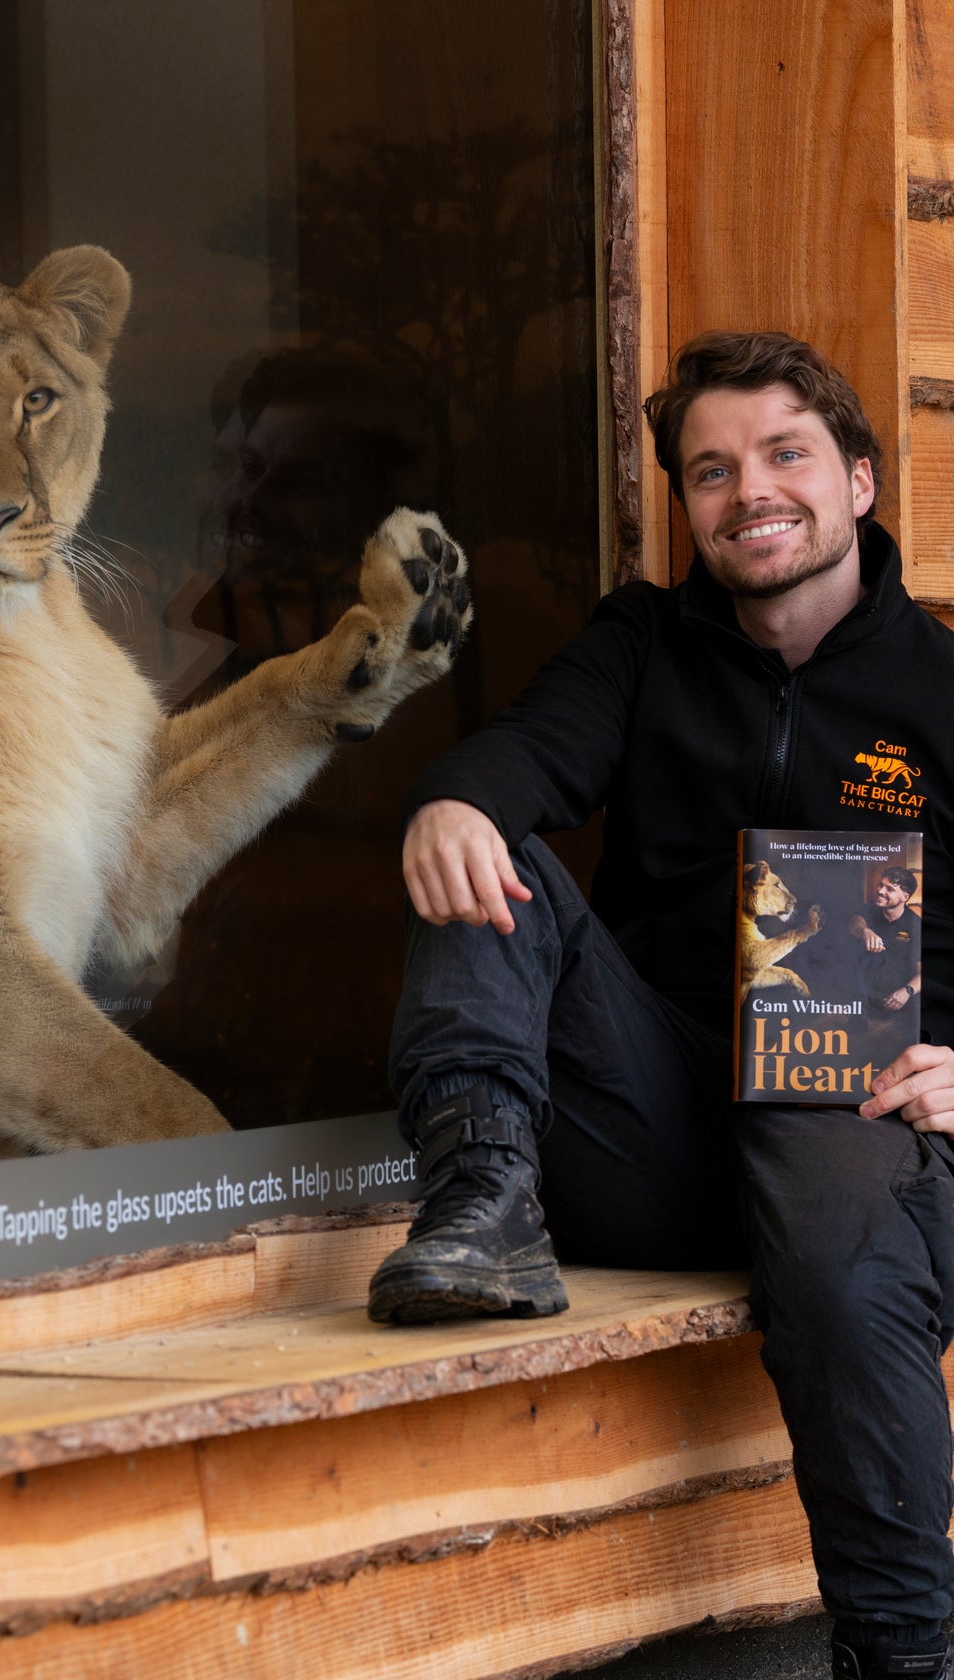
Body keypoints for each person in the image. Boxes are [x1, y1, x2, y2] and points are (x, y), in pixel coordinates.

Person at [368, 331, 954, 1680]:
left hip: (862, 1120)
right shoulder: (642, 643)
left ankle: (898, 1657)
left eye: (786, 454)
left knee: (841, 1239)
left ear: (859, 480)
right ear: (687, 504)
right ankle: (480, 1204)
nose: (750, 490)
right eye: (711, 469)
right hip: (661, 1121)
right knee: (492, 859)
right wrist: (453, 800)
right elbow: (524, 752)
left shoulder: (943, 688)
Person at [851, 866, 923, 1016]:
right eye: (881, 885)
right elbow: (854, 922)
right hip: (862, 1003)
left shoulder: (915, 925)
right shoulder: (870, 910)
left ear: (905, 897)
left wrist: (907, 991)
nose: (881, 891)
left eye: (889, 889)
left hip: (897, 1003)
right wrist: (865, 931)